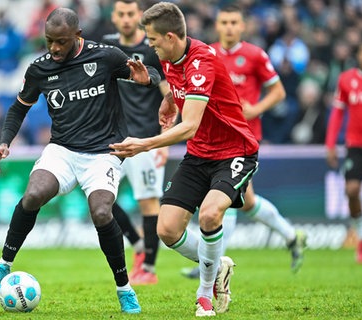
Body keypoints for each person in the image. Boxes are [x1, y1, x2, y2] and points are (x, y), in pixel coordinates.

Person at [0, 7, 161, 314]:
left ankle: (124, 288)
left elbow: (154, 75)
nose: (54, 48)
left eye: (61, 42)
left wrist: (146, 80)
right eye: (49, 40)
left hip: (103, 153)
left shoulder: (106, 57)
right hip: (62, 150)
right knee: (34, 194)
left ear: (77, 36)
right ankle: (3, 265)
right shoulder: (40, 68)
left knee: (102, 213)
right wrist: (4, 142)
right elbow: (18, 108)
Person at [110, 2, 259, 316]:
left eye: (152, 39)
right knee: (166, 230)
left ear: (170, 37)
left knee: (209, 215)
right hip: (200, 154)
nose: (148, 44)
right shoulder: (170, 58)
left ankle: (205, 292)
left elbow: (189, 126)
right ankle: (218, 266)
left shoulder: (201, 61)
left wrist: (145, 144)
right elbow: (180, 93)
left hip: (234, 151)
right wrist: (168, 100)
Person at [181, 5, 307, 280]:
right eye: (223, 21)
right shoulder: (207, 53)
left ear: (242, 26)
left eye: (233, 22)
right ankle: (291, 236)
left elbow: (279, 91)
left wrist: (256, 109)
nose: (228, 27)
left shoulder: (254, 55)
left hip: (244, 137)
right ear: (217, 25)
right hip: (215, 137)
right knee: (246, 201)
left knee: (227, 199)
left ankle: (211, 265)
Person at [101, 0, 169, 285]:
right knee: (101, 197)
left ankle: (149, 269)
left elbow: (170, 95)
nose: (127, 19)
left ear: (139, 18)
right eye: (122, 14)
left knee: (148, 202)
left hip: (145, 139)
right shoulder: (106, 48)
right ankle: (138, 244)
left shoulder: (152, 51)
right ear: (114, 18)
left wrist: (164, 140)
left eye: (131, 14)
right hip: (112, 138)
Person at [325, 39, 362, 264]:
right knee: (352, 190)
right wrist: (330, 144)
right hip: (355, 145)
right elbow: (337, 114)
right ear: (358, 55)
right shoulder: (346, 80)